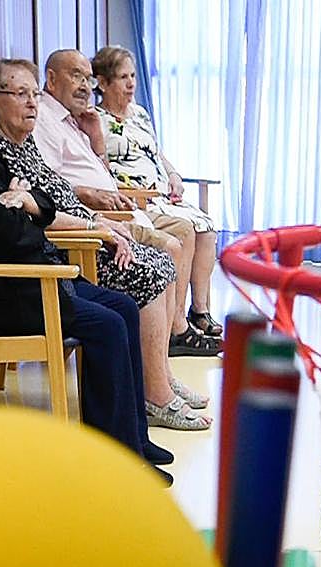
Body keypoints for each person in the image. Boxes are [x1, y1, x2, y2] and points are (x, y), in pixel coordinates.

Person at [0, 65, 175, 483]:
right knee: (106, 325)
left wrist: (24, 202)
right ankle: (117, 464)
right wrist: (20, 212)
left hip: (20, 281)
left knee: (123, 307)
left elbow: (39, 202)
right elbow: (13, 235)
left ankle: (133, 437)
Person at [0, 58, 211, 431]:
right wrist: (97, 227)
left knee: (161, 260)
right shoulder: (1, 153)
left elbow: (57, 197)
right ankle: (156, 396)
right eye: (21, 94)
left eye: (33, 94)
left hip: (93, 227)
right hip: (71, 249)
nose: (32, 103)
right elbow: (39, 215)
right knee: (150, 270)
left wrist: (101, 222)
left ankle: (160, 380)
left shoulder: (26, 144)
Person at [32, 48, 222, 357]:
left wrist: (96, 142)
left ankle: (190, 319)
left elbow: (125, 163)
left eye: (87, 78)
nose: (84, 85)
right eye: (76, 76)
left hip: (121, 207)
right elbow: (50, 186)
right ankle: (174, 335)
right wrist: (92, 197)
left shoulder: (77, 121)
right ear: (51, 80)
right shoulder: (47, 120)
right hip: (107, 213)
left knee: (195, 230)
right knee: (171, 246)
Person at [91, 45, 221, 347]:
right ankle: (177, 322)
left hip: (161, 192)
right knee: (188, 229)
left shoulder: (139, 114)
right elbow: (98, 167)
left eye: (133, 76)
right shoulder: (95, 120)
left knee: (207, 226)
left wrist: (173, 174)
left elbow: (155, 152)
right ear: (103, 83)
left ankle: (199, 310)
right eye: (123, 77)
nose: (131, 84)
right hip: (136, 197)